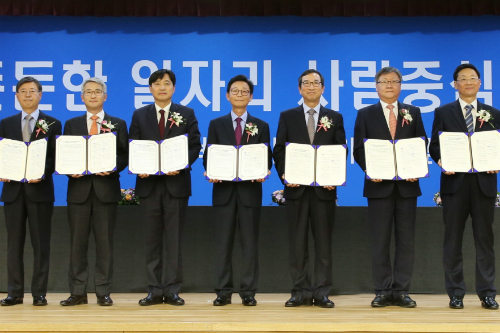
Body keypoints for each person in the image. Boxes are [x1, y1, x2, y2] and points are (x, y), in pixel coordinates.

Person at [353, 66, 426, 308]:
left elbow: (420, 143)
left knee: (406, 241)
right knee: (380, 240)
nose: (389, 85)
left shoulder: (412, 111)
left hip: (407, 187)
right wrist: (370, 170)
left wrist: (415, 169)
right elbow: (359, 150)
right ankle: (383, 290)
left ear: (400, 86)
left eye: (394, 81)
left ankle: (402, 290)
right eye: (384, 81)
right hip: (378, 186)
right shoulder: (365, 114)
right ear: (376, 86)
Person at [273, 69, 346, 308]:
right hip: (296, 190)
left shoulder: (334, 117)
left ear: (323, 88)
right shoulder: (288, 116)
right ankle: (299, 291)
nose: (311, 87)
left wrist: (334, 176)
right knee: (297, 243)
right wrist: (285, 175)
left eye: (316, 83)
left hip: (324, 191)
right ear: (299, 88)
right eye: (307, 83)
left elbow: (340, 151)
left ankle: (322, 292)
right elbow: (280, 150)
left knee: (323, 243)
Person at [429, 63, 499, 310]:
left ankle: (488, 293)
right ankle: (456, 293)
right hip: (454, 184)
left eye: (472, 78)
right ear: (455, 84)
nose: (468, 82)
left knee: (485, 241)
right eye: (463, 78)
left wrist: (496, 162)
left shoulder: (493, 112)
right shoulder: (444, 112)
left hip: (484, 184)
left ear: (480, 83)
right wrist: (441, 161)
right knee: (453, 240)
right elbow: (434, 145)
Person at [129, 69, 201, 306]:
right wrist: (140, 165)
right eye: (157, 83)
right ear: (150, 88)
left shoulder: (186, 113)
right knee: (152, 239)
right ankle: (153, 289)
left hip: (176, 184)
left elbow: (194, 145)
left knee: (174, 239)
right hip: (149, 185)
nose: (162, 87)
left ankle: (171, 289)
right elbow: (134, 145)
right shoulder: (140, 115)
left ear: (173, 88)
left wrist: (180, 165)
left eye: (167, 83)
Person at [203, 75, 272, 307]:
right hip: (223, 192)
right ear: (227, 95)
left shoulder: (261, 126)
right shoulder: (216, 124)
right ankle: (223, 291)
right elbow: (208, 157)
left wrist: (265, 170)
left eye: (244, 91)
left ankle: (248, 291)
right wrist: (210, 170)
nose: (240, 94)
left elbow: (266, 157)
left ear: (251, 96)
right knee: (223, 244)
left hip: (250, 192)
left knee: (250, 245)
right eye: (235, 91)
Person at [59, 78, 128, 307]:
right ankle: (77, 292)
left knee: (104, 244)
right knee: (77, 244)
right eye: (88, 92)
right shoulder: (71, 124)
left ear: (105, 97)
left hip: (105, 191)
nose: (92, 95)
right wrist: (70, 171)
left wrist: (112, 167)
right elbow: (65, 154)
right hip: (78, 191)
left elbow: (124, 155)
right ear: (82, 97)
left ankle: (103, 292)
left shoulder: (117, 123)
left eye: (97, 91)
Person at [0, 77, 62, 306]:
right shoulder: (5, 124)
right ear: (16, 96)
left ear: (40, 95)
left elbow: (56, 157)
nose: (28, 95)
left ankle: (39, 293)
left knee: (40, 243)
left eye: (32, 91)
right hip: (13, 191)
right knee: (13, 243)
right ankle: (14, 293)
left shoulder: (53, 124)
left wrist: (42, 174)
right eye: (23, 91)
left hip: (40, 191)